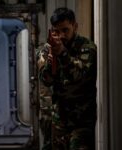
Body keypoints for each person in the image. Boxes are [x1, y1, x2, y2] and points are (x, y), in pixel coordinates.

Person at [37, 7, 97, 150]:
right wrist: (52, 59)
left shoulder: (87, 47)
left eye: (65, 30)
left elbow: (79, 75)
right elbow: (46, 80)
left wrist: (63, 54)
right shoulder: (47, 50)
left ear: (74, 26)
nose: (62, 35)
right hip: (59, 120)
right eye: (57, 31)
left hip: (82, 121)